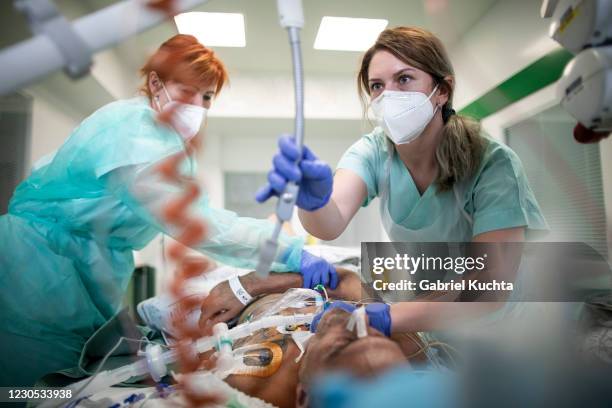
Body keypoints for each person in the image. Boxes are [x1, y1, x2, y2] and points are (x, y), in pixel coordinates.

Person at [0, 34, 336, 387]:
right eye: (188, 90)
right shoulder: (131, 129)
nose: (199, 105)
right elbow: (198, 222)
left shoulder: (166, 142)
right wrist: (288, 250)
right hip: (34, 270)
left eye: (207, 97)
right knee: (30, 388)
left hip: (83, 270)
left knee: (65, 378)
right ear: (155, 83)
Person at [257, 27, 549, 336]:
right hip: (430, 317)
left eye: (404, 79)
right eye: (377, 86)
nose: (388, 95)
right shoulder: (374, 152)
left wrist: (385, 318)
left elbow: (490, 285)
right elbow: (329, 223)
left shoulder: (492, 164)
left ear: (442, 90)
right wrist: (313, 201)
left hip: (507, 328)